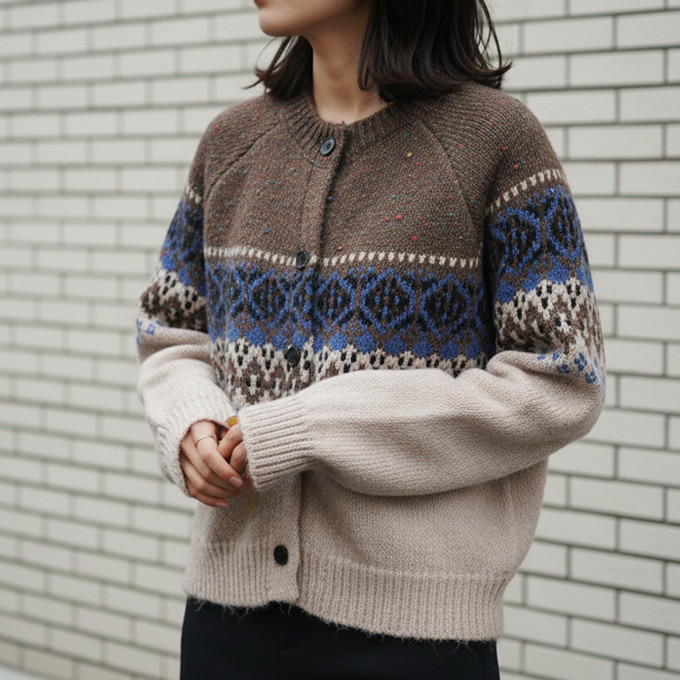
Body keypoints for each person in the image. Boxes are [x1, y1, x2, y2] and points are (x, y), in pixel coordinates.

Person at [135, 0, 605, 678]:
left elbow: (561, 379)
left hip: (414, 639)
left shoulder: (494, 141)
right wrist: (190, 419)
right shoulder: (230, 144)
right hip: (225, 621)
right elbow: (172, 331)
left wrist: (308, 428)